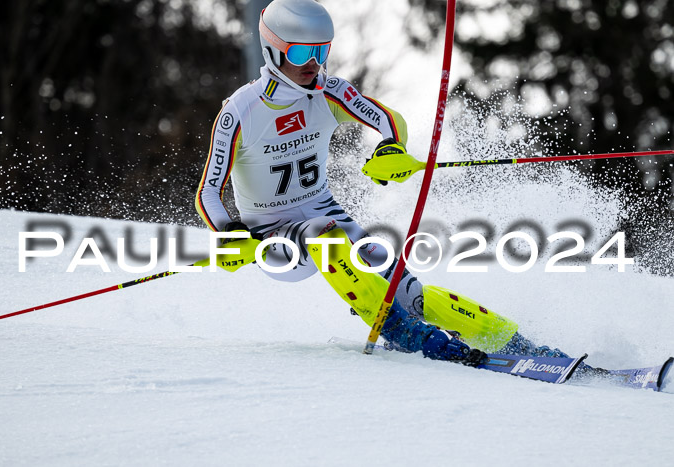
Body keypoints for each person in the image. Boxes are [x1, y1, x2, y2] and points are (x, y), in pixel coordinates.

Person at [194, 0, 573, 368]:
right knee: (323, 236)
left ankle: (516, 342)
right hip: (272, 237)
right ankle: (408, 335)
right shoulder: (241, 111)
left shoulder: (328, 92)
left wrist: (392, 148)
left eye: (321, 51)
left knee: (408, 292)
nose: (312, 63)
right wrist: (229, 232)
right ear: (272, 51)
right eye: (299, 54)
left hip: (328, 215)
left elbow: (389, 119)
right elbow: (209, 190)